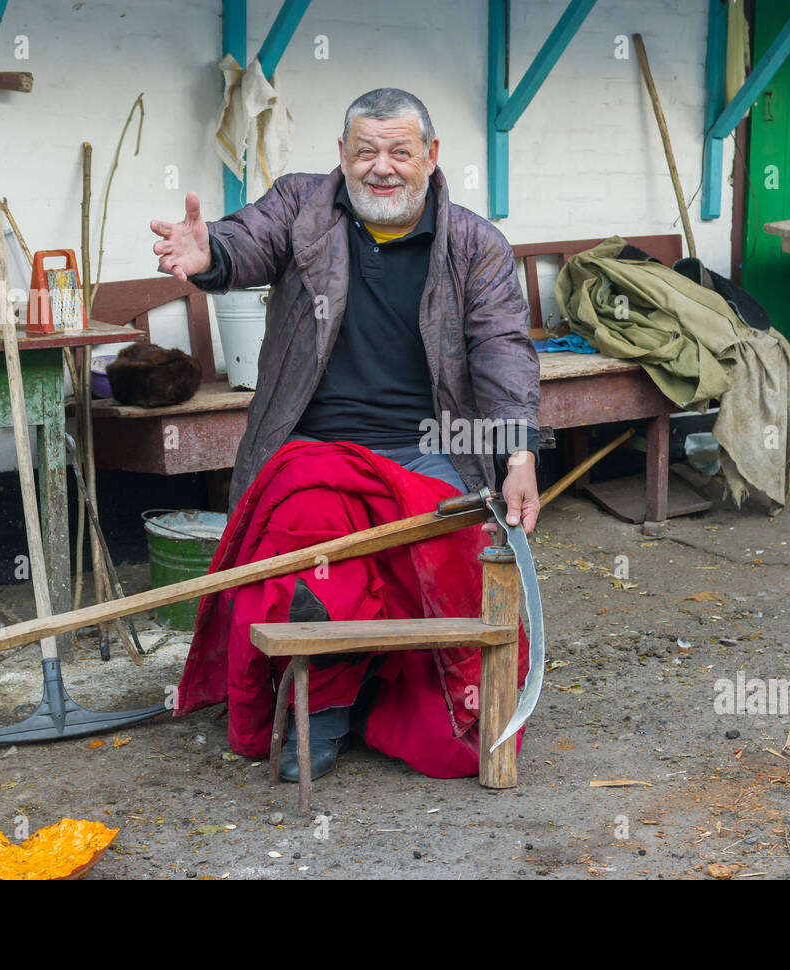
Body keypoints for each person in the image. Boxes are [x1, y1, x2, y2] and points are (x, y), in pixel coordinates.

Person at [152, 88, 541, 781]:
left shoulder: (475, 245)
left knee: (448, 542)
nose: (381, 168)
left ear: (431, 156)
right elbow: (245, 244)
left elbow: (503, 349)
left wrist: (517, 455)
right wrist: (210, 252)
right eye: (365, 152)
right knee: (311, 544)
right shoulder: (302, 206)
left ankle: (432, 702)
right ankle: (319, 714)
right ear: (342, 156)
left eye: (399, 151)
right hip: (311, 450)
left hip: (431, 449)